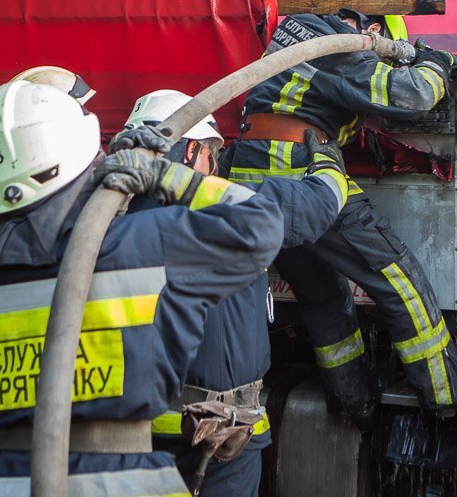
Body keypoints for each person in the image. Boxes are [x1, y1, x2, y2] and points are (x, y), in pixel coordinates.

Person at [0, 80, 345, 496]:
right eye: (213, 153)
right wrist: (169, 177)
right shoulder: (139, 241)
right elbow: (264, 223)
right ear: (193, 151)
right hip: (112, 479)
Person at [223, 10, 457, 425]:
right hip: (298, 175)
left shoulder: (298, 31)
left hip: (255, 172)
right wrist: (440, 63)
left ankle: (352, 398)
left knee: (323, 294)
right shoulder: (336, 45)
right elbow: (412, 94)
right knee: (398, 278)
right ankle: (446, 390)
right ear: (375, 32)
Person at [114, 90, 347, 497]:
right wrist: (329, 161)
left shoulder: (101, 229)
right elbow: (316, 206)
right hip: (221, 437)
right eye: (209, 154)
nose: (215, 166)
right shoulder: (226, 218)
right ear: (189, 153)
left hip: (131, 437)